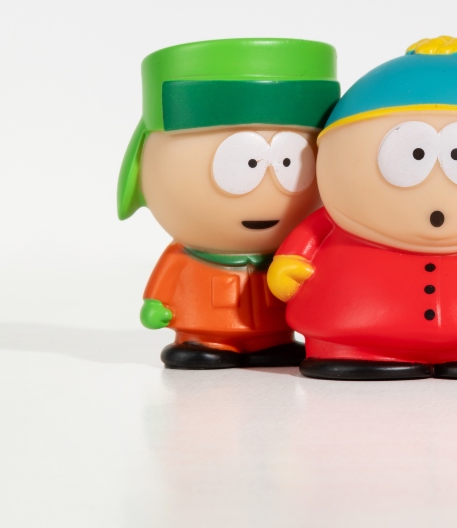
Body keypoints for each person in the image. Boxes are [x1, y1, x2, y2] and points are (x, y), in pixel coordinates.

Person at [267, 36, 457, 380]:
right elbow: (311, 234)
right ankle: (357, 352)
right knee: (350, 343)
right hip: (357, 325)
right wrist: (289, 263)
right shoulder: (338, 217)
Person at [117, 37, 340, 368]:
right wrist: (156, 304)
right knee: (204, 349)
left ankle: (271, 342)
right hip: (202, 327)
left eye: (290, 164)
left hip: (275, 328)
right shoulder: (188, 256)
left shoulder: (291, 252)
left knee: (275, 345)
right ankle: (205, 343)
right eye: (243, 166)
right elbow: (166, 279)